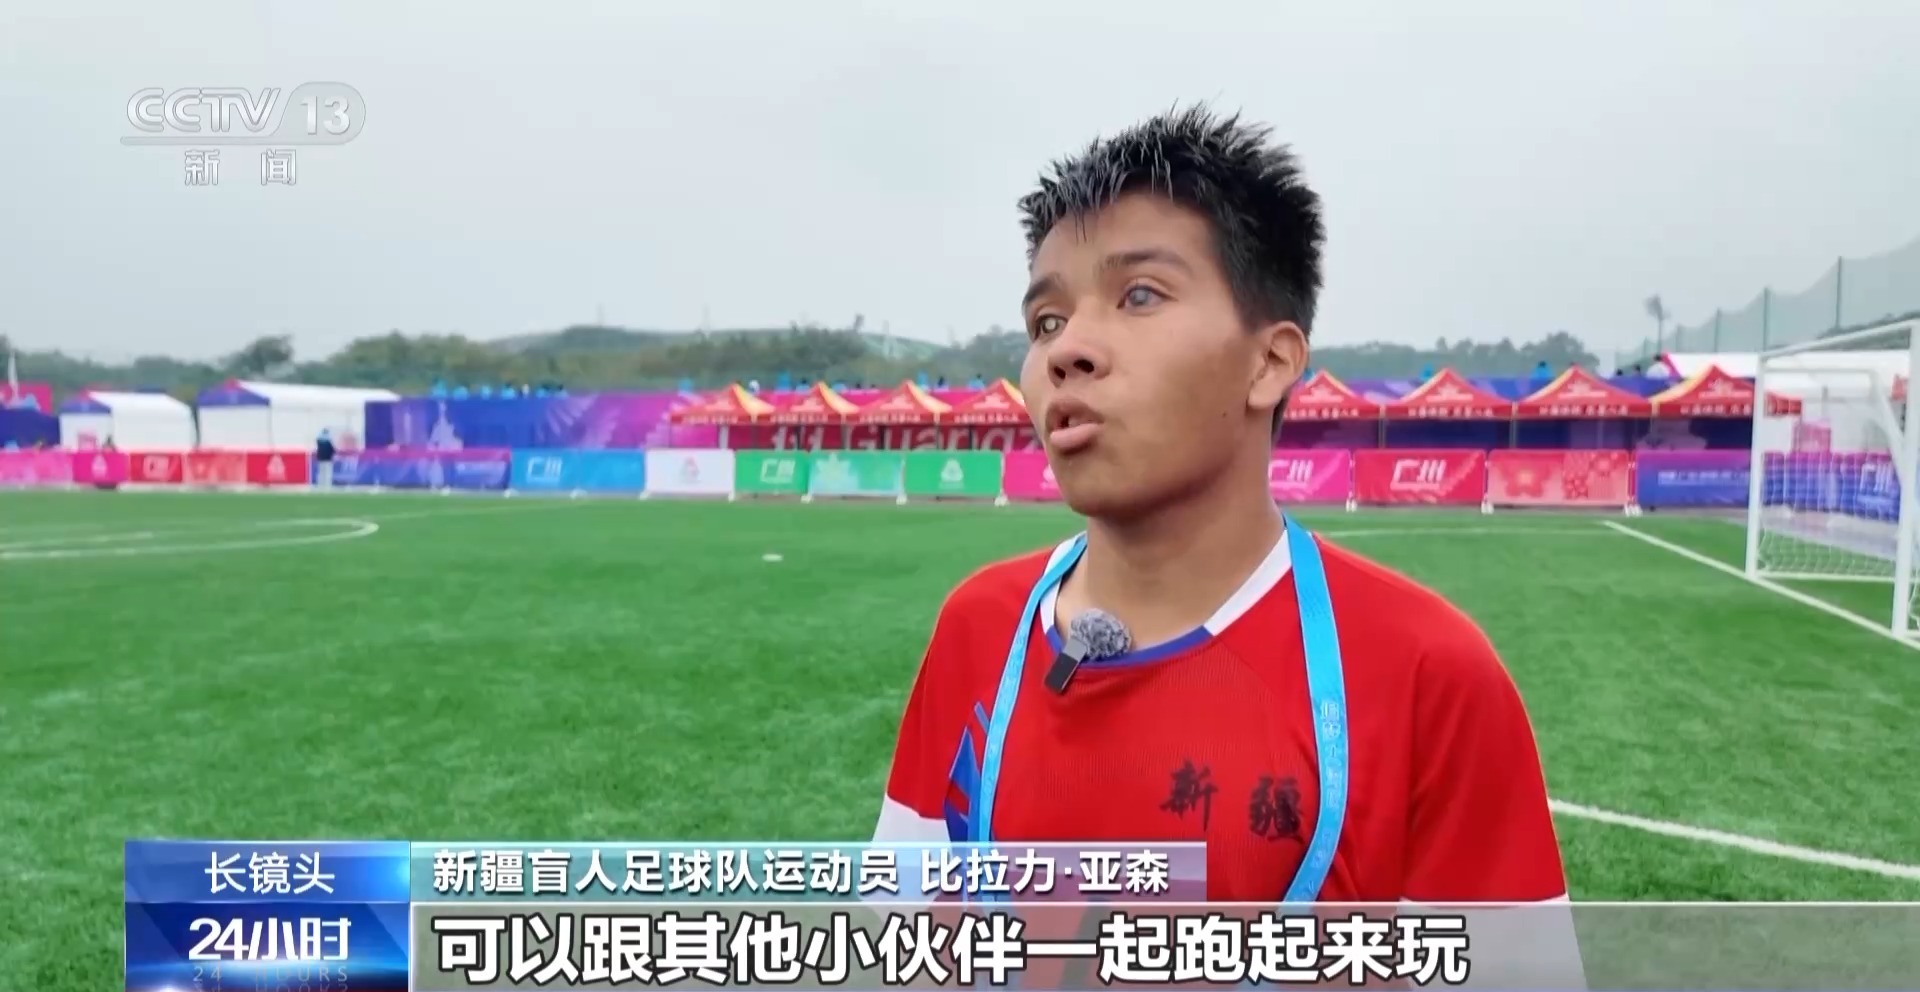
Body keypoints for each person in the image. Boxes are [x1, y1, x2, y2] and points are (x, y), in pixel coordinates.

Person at [874, 107, 1579, 949]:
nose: (1067, 351)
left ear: (1269, 361)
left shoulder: (1430, 675)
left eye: (1139, 295)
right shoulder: (979, 626)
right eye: (1046, 322)